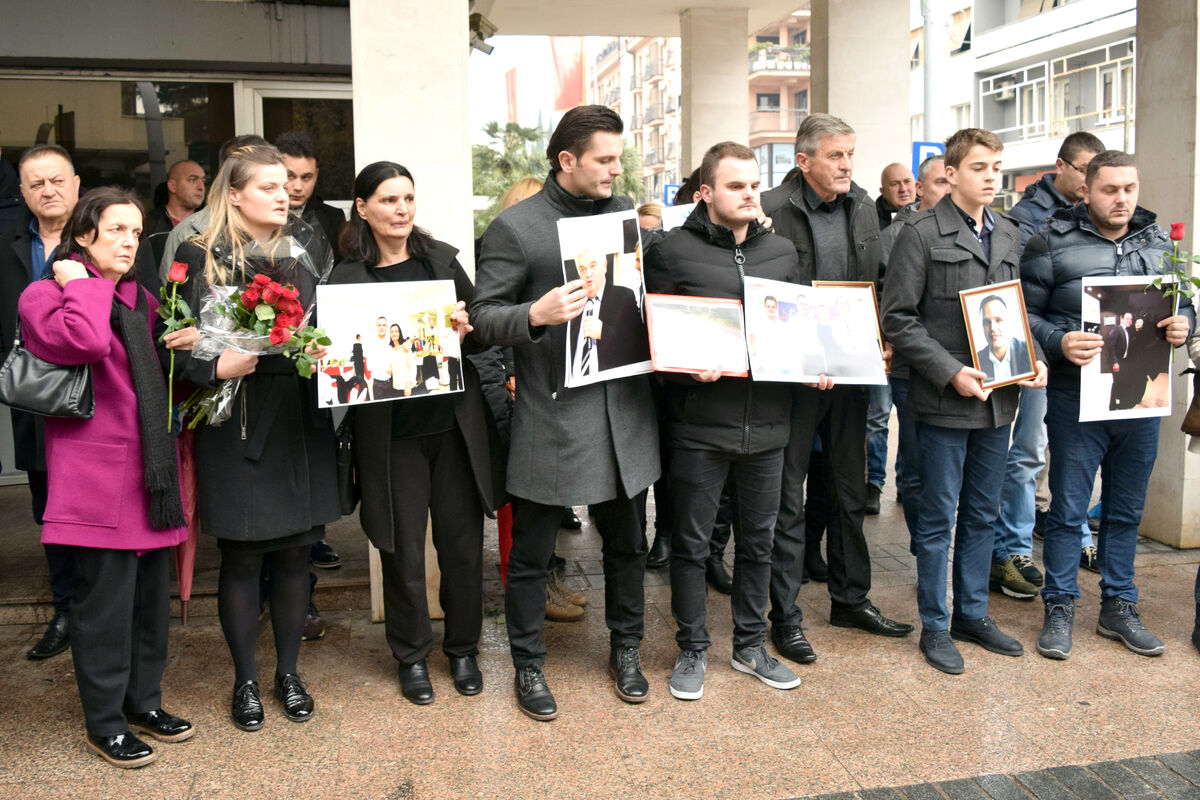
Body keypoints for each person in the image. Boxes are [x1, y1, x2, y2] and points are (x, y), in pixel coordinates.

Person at [471, 105, 659, 720]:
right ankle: (527, 664)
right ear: (567, 160)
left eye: (618, 158)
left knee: (628, 544)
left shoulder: (625, 216)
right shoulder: (516, 227)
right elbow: (481, 320)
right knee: (531, 554)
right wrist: (534, 314)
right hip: (552, 414)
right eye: (605, 159)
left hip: (623, 412)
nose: (615, 169)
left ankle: (626, 649)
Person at [19, 187, 192, 767]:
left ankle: (143, 703)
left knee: (149, 605)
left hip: (149, 471)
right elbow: (87, 342)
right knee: (104, 610)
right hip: (95, 474)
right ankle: (105, 723)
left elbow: (158, 380)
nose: (129, 242)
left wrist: (184, 346)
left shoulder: (141, 297)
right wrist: (79, 283)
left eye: (136, 232)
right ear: (82, 235)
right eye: (116, 229)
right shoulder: (44, 295)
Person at [172, 143, 339, 731]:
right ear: (235, 194)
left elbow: (328, 323)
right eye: (268, 186)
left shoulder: (306, 249)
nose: (283, 195)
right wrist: (214, 366)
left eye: (286, 185)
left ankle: (288, 673)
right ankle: (245, 679)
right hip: (234, 419)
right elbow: (170, 342)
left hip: (297, 417)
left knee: (296, 554)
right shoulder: (197, 256)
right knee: (243, 558)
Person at [330, 160, 504, 705]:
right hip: (390, 438)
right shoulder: (344, 281)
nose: (401, 209)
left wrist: (467, 329)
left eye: (408, 198)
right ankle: (410, 656)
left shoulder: (442, 262)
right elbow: (337, 364)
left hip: (453, 430)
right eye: (388, 200)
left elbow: (481, 335)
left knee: (462, 549)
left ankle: (463, 649)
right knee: (401, 553)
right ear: (363, 208)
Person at [882, 127, 1047, 674]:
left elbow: (1012, 309)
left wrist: (1030, 357)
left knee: (982, 513)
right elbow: (898, 319)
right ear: (950, 175)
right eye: (979, 167)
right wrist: (949, 371)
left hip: (997, 399)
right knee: (937, 517)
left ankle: (971, 614)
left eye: (996, 167)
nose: (991, 177)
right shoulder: (920, 233)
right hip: (943, 399)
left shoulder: (1009, 232)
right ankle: (936, 623)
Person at [1021, 150, 1194, 660]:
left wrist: (1186, 324)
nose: (1122, 199)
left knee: (1125, 509)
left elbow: (1185, 306)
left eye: (1129, 189)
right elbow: (1022, 313)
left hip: (1141, 395)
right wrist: (1057, 341)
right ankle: (1059, 605)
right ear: (1086, 190)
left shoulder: (1159, 245)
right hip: (1075, 397)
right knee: (1069, 508)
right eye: (1110, 189)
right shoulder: (1050, 241)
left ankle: (1119, 605)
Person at [644, 141, 801, 700]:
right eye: (737, 186)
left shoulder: (782, 251)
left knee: (759, 543)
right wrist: (685, 370)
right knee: (691, 545)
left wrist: (817, 364)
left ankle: (750, 645)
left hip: (768, 424)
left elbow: (793, 325)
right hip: (698, 425)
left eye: (754, 185)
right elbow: (651, 335)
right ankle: (691, 647)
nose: (750, 194)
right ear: (706, 192)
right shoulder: (670, 251)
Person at [760, 113, 913, 667]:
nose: (847, 164)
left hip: (851, 374)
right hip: (792, 379)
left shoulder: (865, 206)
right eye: (835, 155)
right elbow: (757, 294)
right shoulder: (770, 210)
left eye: (850, 153)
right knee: (787, 499)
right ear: (803, 161)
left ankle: (851, 600)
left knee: (850, 491)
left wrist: (885, 337)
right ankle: (784, 616)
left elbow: (880, 282)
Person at [996, 132, 1108, 598]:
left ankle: (1078, 534)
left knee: (1073, 456)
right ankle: (1014, 548)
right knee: (1029, 451)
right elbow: (1022, 296)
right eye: (1084, 170)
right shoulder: (1026, 219)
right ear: (1060, 166)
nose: (1090, 181)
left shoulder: (1100, 217)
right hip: (1043, 353)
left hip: (1089, 359)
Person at [0, 144, 81, 661]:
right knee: (50, 509)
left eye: (56, 180)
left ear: (76, 184)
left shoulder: (103, 235)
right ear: (23, 193)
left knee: (97, 505)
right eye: (37, 184)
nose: (48, 191)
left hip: (96, 395)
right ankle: (66, 610)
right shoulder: (8, 242)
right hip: (34, 397)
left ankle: (107, 610)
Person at [879, 154, 951, 537]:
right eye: (940, 182)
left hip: (959, 370)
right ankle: (925, 546)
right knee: (916, 464)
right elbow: (890, 306)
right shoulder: (899, 236)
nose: (949, 190)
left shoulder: (977, 233)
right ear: (922, 188)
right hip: (911, 368)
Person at [565, 247, 648, 379]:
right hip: (575, 383)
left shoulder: (623, 297)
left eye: (593, 266)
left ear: (604, 267)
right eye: (583, 269)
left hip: (608, 384)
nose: (588, 273)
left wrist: (603, 332)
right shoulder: (572, 304)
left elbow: (638, 345)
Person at [274, 130, 346, 262]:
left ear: (316, 175)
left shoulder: (334, 218)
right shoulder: (258, 215)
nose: (298, 187)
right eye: (290, 176)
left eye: (306, 177)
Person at [976, 294, 1033, 382]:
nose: (993, 328)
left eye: (998, 320)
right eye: (987, 322)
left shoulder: (1029, 352)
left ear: (1008, 322)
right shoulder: (977, 360)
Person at [146, 160, 206, 235]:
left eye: (203, 181)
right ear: (172, 186)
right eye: (192, 180)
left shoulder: (212, 224)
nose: (201, 187)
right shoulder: (148, 225)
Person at [1106, 310, 1147, 410]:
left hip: (1124, 362)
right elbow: (1111, 346)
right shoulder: (1117, 329)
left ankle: (1119, 403)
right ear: (1122, 319)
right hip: (1117, 362)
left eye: (1131, 319)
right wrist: (1115, 362)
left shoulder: (1127, 331)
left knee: (1121, 383)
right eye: (1127, 318)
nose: (1129, 321)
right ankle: (1112, 406)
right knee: (1117, 383)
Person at [876, 162, 916, 230]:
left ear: (916, 185)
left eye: (907, 181)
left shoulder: (930, 211)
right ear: (883, 192)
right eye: (895, 184)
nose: (903, 189)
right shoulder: (871, 219)